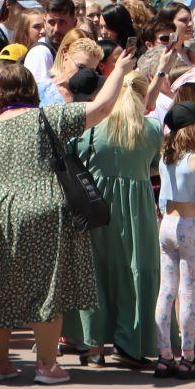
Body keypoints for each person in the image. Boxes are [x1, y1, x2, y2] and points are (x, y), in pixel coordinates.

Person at [0, 54, 131, 384]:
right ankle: (46, 365)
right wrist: (121, 72)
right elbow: (100, 109)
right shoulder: (46, 117)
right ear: (32, 90)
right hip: (45, 208)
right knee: (48, 288)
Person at [68, 68, 161, 367]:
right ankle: (130, 343)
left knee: (94, 271)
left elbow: (72, 155)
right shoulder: (151, 129)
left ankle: (93, 346)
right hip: (137, 209)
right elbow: (155, 166)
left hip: (95, 205)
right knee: (135, 272)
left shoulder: (93, 127)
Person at [153, 101, 195, 377]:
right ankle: (188, 357)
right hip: (190, 225)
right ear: (193, 127)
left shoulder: (166, 156)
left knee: (166, 290)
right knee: (187, 292)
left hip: (167, 223)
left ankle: (164, 355)